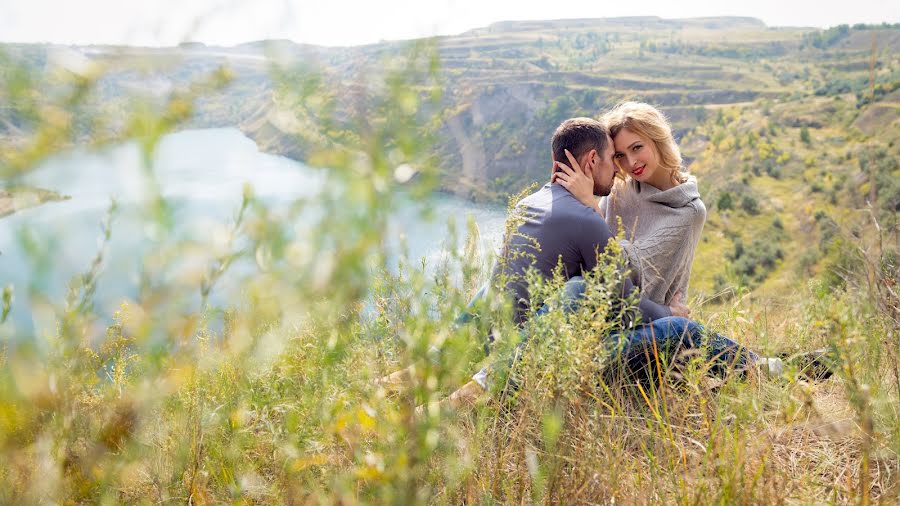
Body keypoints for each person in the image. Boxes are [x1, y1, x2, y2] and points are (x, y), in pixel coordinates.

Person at [554, 102, 705, 307]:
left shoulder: (687, 210)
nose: (631, 162)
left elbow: (626, 273)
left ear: (657, 139)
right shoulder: (620, 189)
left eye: (637, 147)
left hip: (649, 322)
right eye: (620, 156)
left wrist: (589, 204)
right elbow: (589, 255)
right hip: (599, 308)